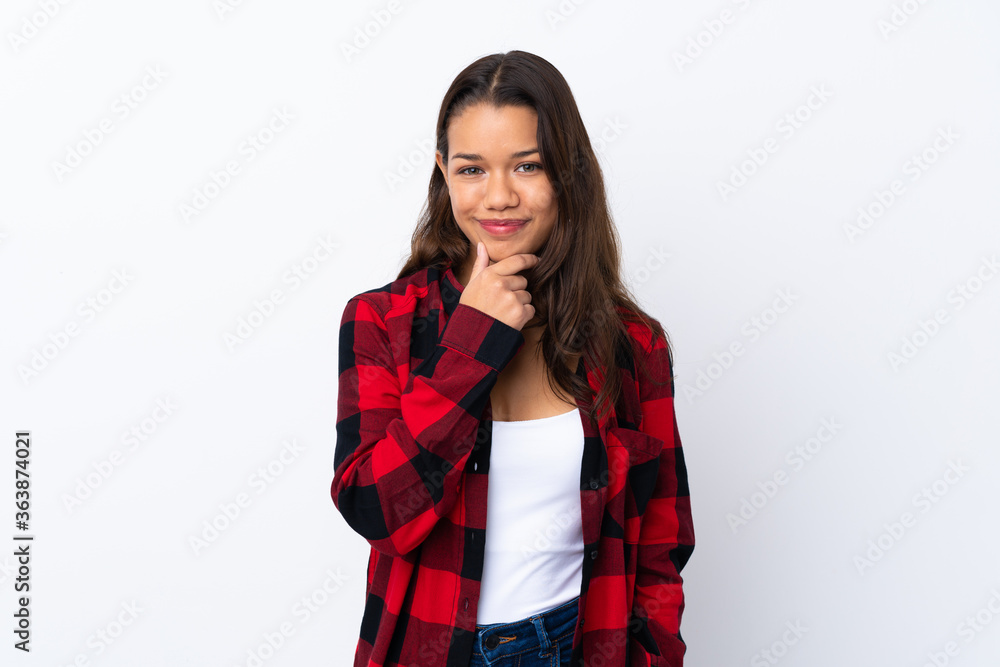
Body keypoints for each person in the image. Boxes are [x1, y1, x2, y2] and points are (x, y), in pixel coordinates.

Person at [332, 50, 694, 667]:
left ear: (568, 172)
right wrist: (473, 341)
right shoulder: (381, 322)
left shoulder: (633, 344)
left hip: (583, 643)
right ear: (443, 173)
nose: (498, 197)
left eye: (527, 165)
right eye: (472, 169)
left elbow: (662, 542)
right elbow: (377, 513)